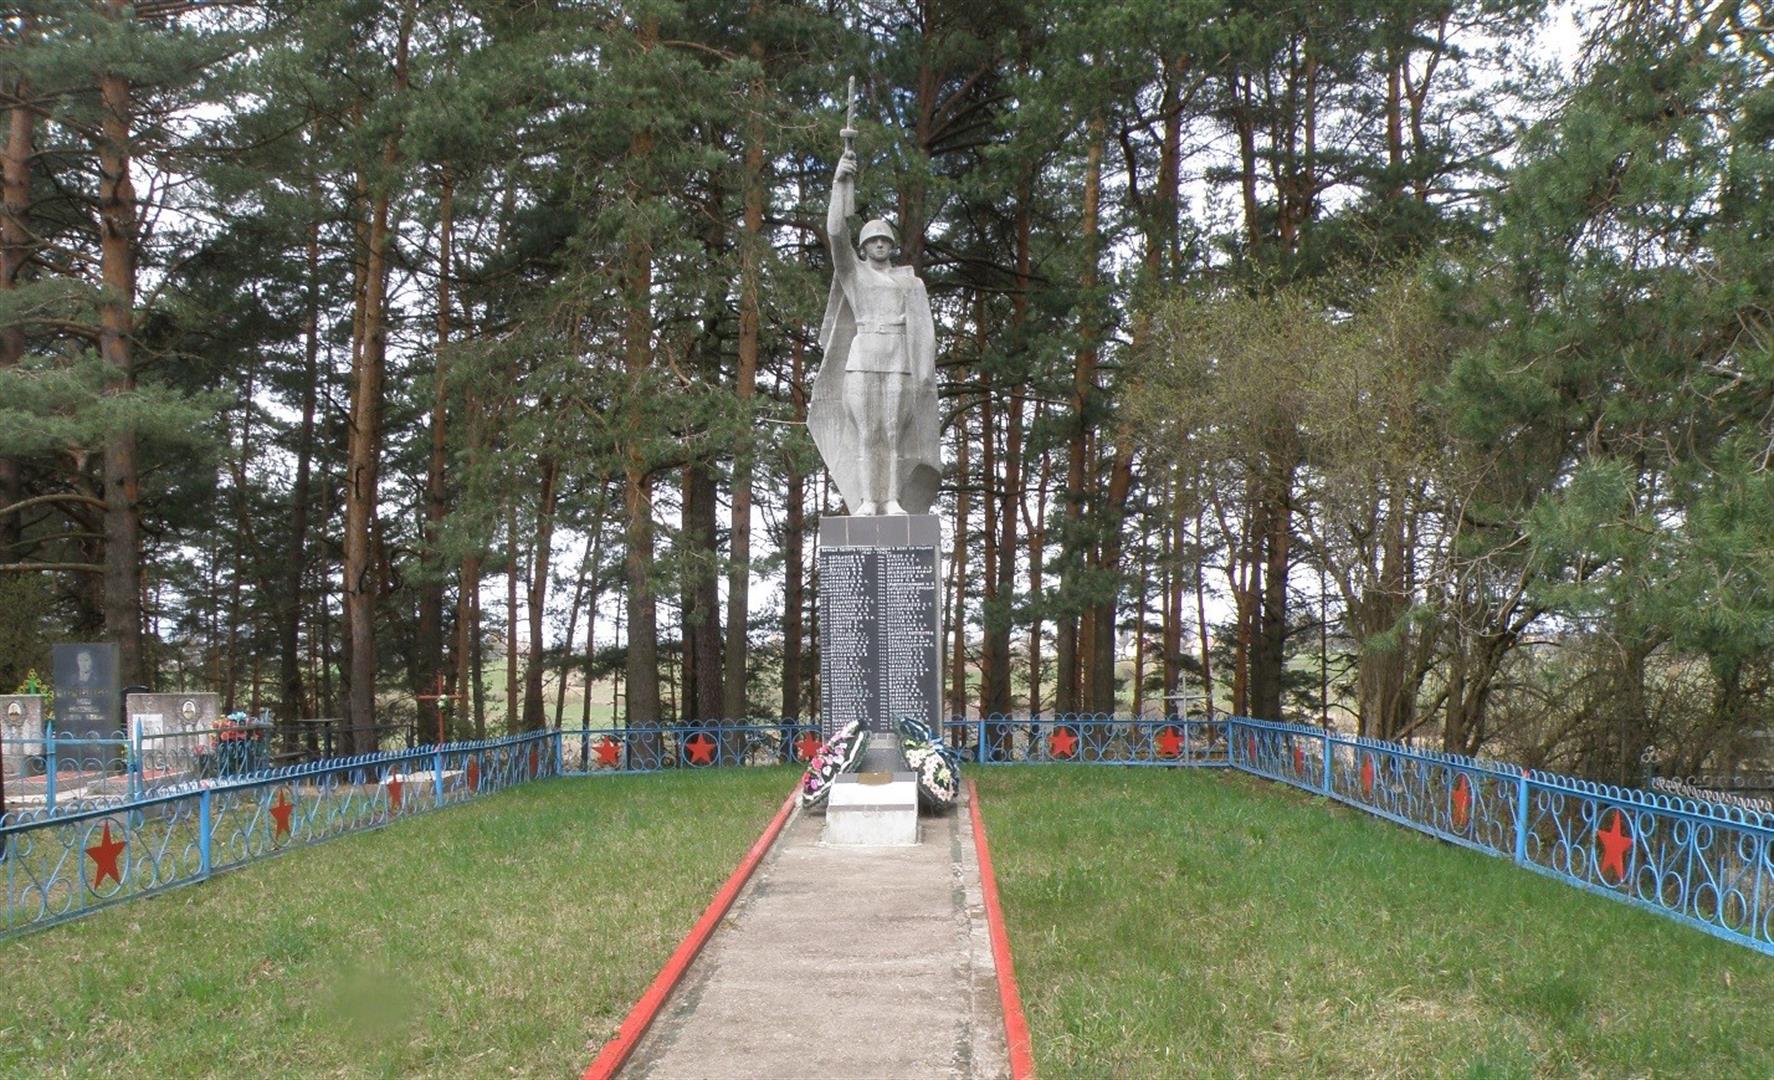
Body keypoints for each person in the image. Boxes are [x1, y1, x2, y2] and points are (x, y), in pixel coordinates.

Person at [810, 144, 941, 516]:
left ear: (891, 246)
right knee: (867, 433)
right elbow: (836, 233)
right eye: (872, 241)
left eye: (884, 240)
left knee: (893, 433)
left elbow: (924, 333)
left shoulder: (909, 284)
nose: (879, 244)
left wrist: (924, 373)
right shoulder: (854, 275)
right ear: (864, 247)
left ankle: (892, 499)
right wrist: (839, 184)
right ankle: (868, 500)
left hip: (898, 359)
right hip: (863, 357)